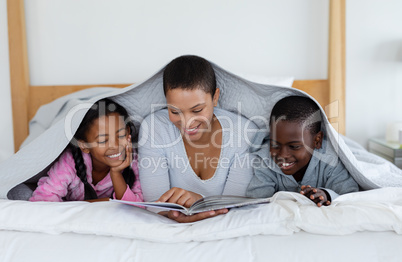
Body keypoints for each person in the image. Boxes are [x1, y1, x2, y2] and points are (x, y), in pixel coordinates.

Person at [138, 55, 258, 222]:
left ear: (215, 97)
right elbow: (156, 208)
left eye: (197, 110)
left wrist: (200, 202)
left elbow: (234, 210)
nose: (187, 122)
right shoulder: (154, 128)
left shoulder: (245, 134)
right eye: (174, 111)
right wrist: (180, 218)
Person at [246, 96, 359, 206]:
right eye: (275, 145)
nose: (282, 155)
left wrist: (327, 195)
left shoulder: (331, 159)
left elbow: (351, 196)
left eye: (294, 146)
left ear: (317, 141)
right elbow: (256, 202)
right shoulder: (265, 160)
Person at [30, 99, 143, 202]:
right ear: (84, 145)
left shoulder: (133, 159)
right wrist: (104, 201)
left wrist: (116, 173)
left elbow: (138, 206)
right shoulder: (70, 161)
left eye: (121, 135)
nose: (115, 146)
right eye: (103, 141)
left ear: (128, 132)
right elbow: (43, 199)